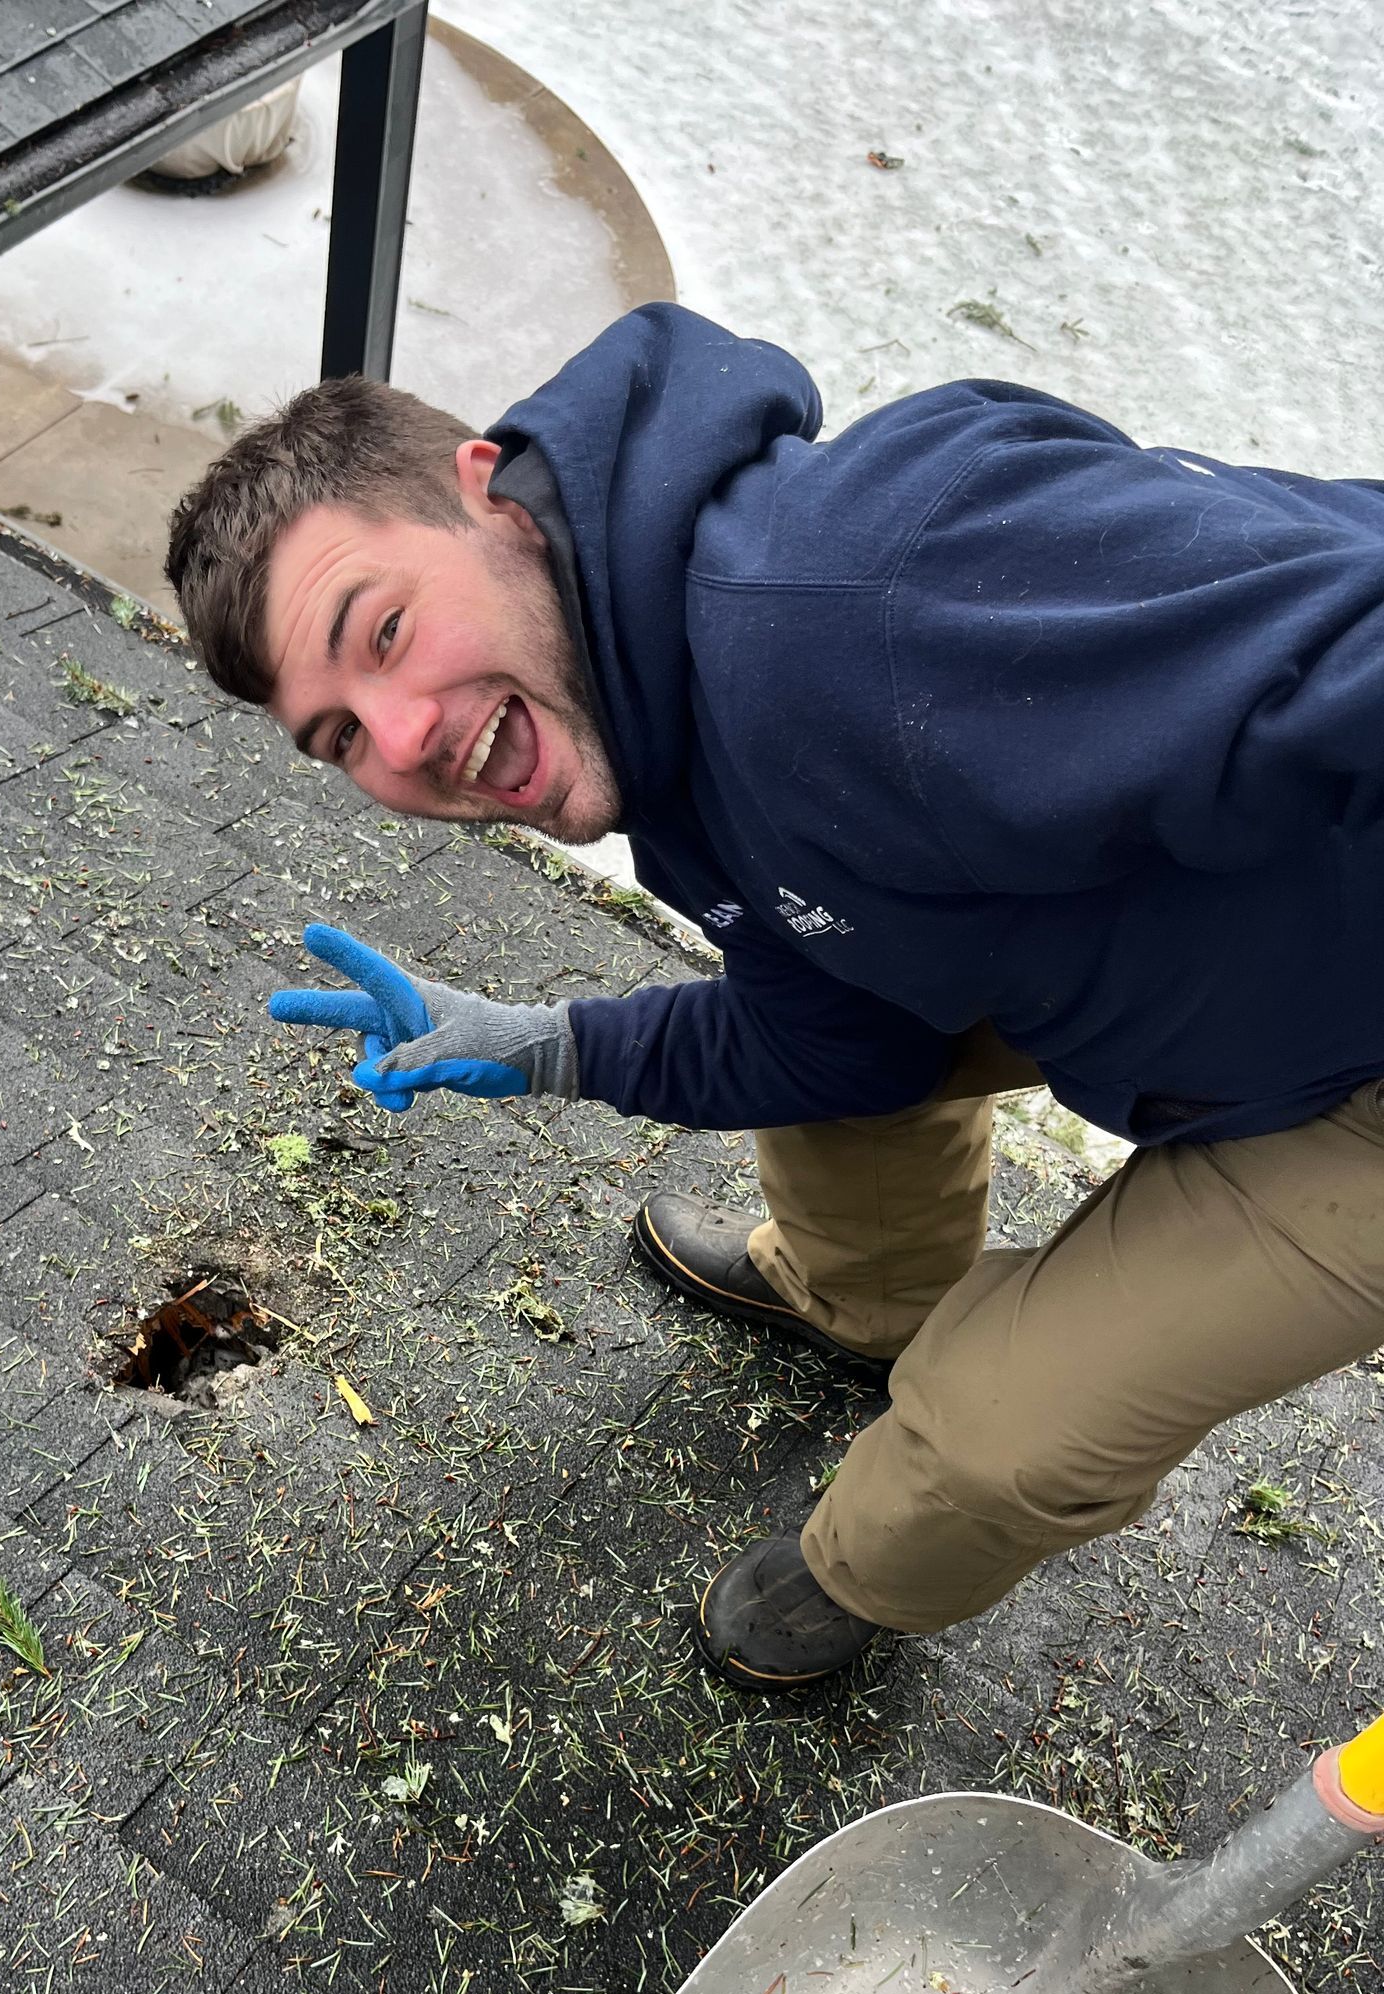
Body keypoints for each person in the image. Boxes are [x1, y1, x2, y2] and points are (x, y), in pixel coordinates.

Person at [162, 304, 1384, 1692]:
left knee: (996, 1434)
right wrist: (554, 1048)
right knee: (853, 1004)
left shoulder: (875, 588)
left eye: (380, 630)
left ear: (486, 493)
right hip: (1151, 966)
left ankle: (858, 1575)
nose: (399, 740)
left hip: (1356, 1084)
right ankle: (860, 1301)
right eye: (338, 739)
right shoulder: (649, 700)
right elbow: (830, 1039)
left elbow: (1355, 618)